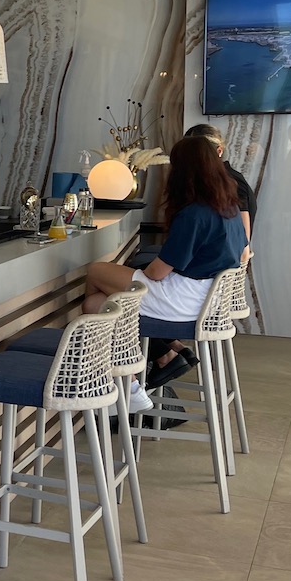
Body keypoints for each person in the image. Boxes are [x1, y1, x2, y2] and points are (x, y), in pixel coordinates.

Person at [83, 135, 248, 407]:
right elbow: (242, 252)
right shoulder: (229, 207)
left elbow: (157, 273)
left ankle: (103, 372)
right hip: (208, 302)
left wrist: (145, 268)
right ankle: (128, 385)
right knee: (96, 304)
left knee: (96, 272)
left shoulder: (195, 213)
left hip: (183, 300)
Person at [185, 123, 257, 245]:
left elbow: (243, 243)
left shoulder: (232, 182)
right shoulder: (202, 179)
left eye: (199, 154)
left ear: (219, 151)